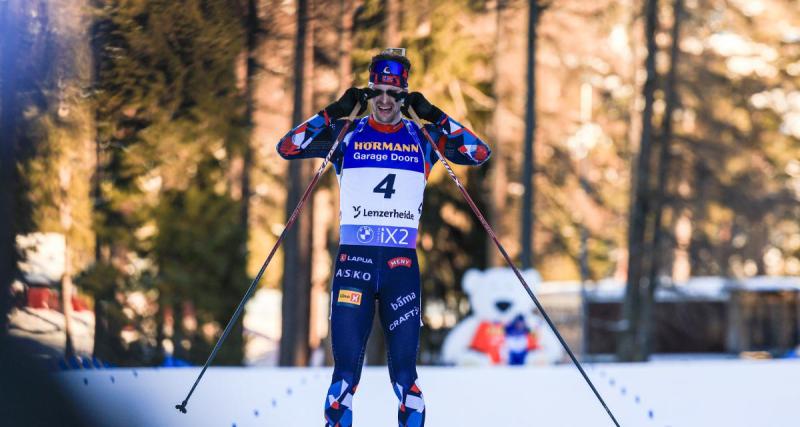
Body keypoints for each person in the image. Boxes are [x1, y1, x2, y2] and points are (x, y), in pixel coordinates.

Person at [276, 48, 491, 427]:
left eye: (395, 94)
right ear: (369, 93)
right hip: (353, 266)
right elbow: (288, 146)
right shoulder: (346, 134)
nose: (386, 101)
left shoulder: (422, 139)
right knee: (344, 376)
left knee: (406, 378)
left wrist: (435, 116)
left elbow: (478, 153)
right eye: (378, 92)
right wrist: (334, 111)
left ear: (404, 96)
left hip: (400, 269)